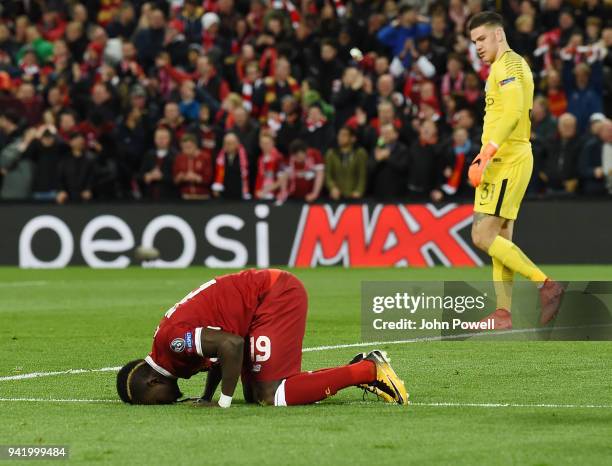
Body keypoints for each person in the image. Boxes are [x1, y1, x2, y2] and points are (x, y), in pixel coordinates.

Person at [116, 268, 408, 406]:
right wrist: (206, 396)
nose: (161, 405)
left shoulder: (172, 343)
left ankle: (368, 369)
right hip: (255, 307)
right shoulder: (169, 353)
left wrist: (222, 402)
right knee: (254, 396)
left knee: (270, 396)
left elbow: (232, 345)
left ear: (153, 382)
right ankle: (353, 367)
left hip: (273, 295)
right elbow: (219, 356)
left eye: (152, 401)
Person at [467, 12, 563, 330]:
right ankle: (504, 313)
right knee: (500, 238)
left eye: (481, 39)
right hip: (500, 159)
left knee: (482, 235)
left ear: (498, 34)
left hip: (506, 158)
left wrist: (486, 153)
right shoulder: (501, 67)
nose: (477, 47)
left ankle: (546, 285)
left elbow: (512, 113)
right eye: (473, 42)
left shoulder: (509, 65)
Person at [325, 126, 368, 200]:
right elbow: (327, 175)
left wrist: (359, 191)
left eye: (344, 135)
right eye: (339, 135)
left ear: (353, 138)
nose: (340, 138)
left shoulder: (360, 153)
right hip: (336, 197)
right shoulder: (331, 154)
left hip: (355, 197)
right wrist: (332, 188)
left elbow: (363, 175)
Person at [173, 133, 213, 200]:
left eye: (189, 147)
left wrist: (196, 178)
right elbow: (175, 180)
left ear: (195, 145)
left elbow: (209, 179)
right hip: (185, 197)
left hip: (203, 197)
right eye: (184, 148)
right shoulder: (179, 158)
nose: (186, 150)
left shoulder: (205, 157)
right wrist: (180, 177)